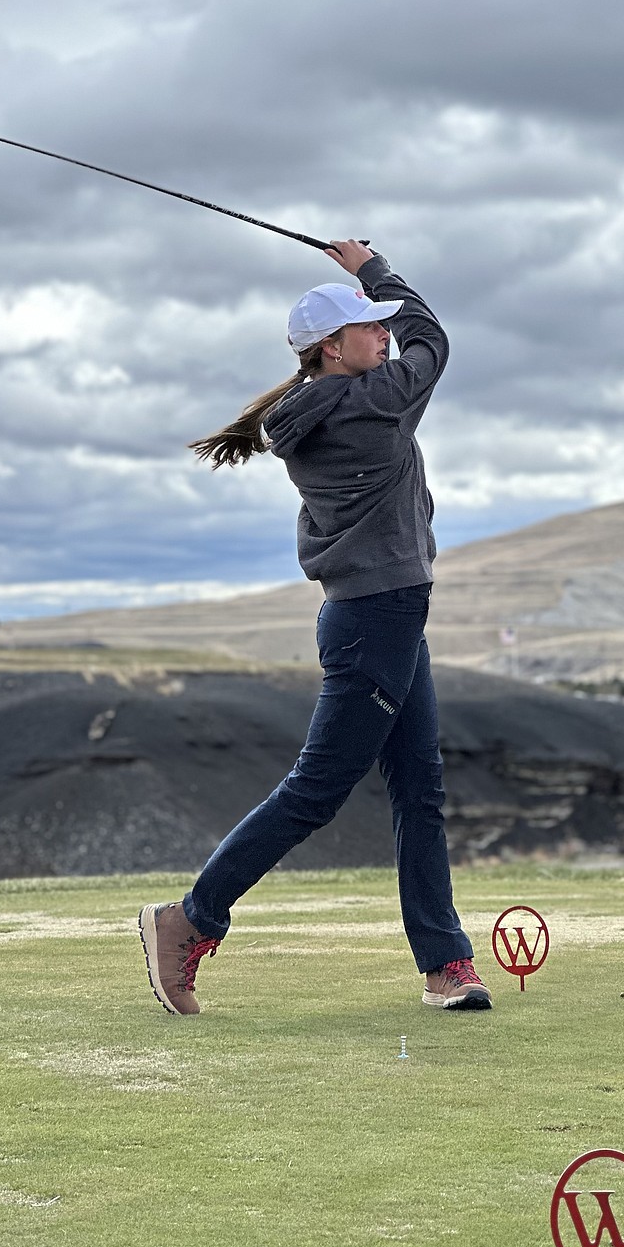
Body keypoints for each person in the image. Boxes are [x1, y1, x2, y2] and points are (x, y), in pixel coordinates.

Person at [139, 241, 491, 1017]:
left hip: (385, 616)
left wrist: (368, 291)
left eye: (379, 326)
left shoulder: (322, 403)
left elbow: (409, 339)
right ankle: (189, 920)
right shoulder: (369, 403)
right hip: (378, 619)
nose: (385, 335)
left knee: (419, 792)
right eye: (370, 329)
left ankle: (445, 962)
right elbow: (433, 339)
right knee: (315, 793)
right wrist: (372, 267)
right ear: (333, 348)